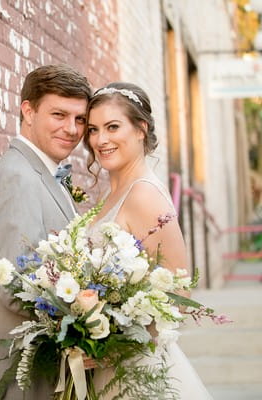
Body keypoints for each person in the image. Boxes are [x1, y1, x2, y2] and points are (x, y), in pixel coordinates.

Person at [84, 82, 212, 399]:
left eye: (113, 127)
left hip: (136, 372)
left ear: (141, 128)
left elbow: (180, 292)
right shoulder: (112, 193)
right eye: (93, 129)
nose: (101, 140)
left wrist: (117, 343)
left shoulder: (143, 194)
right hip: (106, 366)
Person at [0, 64, 92, 399]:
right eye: (59, 114)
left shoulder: (43, 173)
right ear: (28, 110)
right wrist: (95, 313)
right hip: (24, 381)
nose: (71, 129)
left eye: (79, 119)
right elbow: (16, 287)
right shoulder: (17, 178)